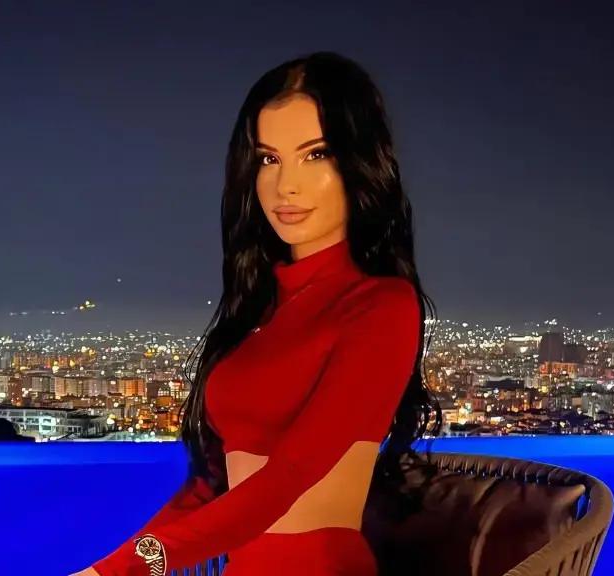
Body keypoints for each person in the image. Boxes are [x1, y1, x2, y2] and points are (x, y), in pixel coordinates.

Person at [75, 51, 440, 576]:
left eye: (315, 154)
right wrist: (110, 569)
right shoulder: (256, 311)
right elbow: (210, 487)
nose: (285, 185)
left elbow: (289, 477)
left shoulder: (381, 306)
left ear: (359, 163)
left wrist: (121, 571)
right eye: (269, 159)